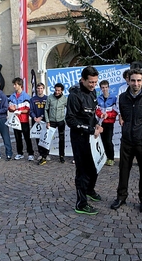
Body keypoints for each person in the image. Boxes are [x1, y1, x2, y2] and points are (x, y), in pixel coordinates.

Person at [110, 68, 142, 213]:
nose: (136, 83)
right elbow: (124, 116)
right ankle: (121, 197)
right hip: (127, 140)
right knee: (123, 170)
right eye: (133, 80)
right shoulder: (123, 98)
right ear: (128, 81)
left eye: (139, 80)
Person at [66, 66, 103, 215]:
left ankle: (89, 190)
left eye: (95, 82)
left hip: (91, 137)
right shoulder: (74, 96)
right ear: (82, 80)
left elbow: (92, 115)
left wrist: (97, 124)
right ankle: (81, 204)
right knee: (82, 171)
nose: (93, 85)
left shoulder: (93, 92)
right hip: (79, 138)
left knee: (95, 166)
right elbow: (70, 120)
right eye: (90, 82)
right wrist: (89, 129)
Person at [8, 77, 34, 161]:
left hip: (24, 120)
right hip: (16, 120)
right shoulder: (12, 96)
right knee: (17, 138)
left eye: (15, 84)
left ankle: (30, 153)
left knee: (27, 137)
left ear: (20, 85)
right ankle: (20, 153)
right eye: (14, 84)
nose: (14, 86)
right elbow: (9, 108)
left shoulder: (26, 96)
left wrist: (19, 111)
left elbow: (28, 109)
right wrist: (11, 109)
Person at [95, 80, 118, 166]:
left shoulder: (113, 98)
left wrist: (108, 115)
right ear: (100, 89)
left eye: (106, 87)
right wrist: (100, 115)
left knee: (108, 141)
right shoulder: (98, 98)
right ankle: (105, 157)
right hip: (101, 123)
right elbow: (96, 110)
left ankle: (111, 158)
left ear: (108, 88)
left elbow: (116, 111)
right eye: (103, 88)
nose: (104, 89)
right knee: (103, 141)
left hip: (109, 123)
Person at [44, 83, 68, 163]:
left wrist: (66, 119)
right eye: (56, 90)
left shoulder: (64, 98)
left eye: (58, 90)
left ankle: (61, 156)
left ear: (62, 91)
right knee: (48, 138)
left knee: (61, 139)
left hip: (61, 121)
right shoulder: (50, 97)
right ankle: (45, 155)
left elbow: (69, 109)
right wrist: (47, 121)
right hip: (52, 121)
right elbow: (46, 109)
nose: (57, 92)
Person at [30, 82, 48, 165]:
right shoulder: (33, 99)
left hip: (44, 120)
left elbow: (48, 110)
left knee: (45, 137)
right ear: (36, 89)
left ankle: (46, 153)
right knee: (37, 137)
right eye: (38, 88)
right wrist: (34, 117)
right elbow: (31, 110)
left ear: (43, 89)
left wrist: (41, 117)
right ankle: (41, 154)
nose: (40, 90)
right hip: (36, 121)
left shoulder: (47, 98)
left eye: (41, 88)